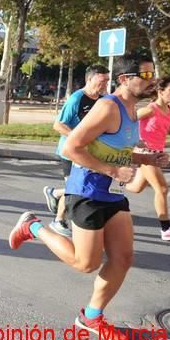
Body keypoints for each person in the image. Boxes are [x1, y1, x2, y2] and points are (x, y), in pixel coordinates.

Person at [9, 52, 167, 340]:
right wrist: (112, 170)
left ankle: (91, 317)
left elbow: (115, 149)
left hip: (111, 194)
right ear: (124, 79)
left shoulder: (133, 111)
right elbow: (71, 147)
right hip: (86, 192)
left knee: (123, 258)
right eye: (145, 75)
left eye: (152, 74)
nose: (152, 80)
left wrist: (147, 158)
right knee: (85, 264)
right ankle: (32, 226)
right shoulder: (108, 107)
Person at [43, 65, 110, 237]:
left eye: (107, 81)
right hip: (70, 151)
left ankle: (54, 193)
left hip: (88, 152)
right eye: (102, 81)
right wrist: (77, 138)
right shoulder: (77, 98)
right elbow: (58, 125)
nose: (105, 85)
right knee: (74, 187)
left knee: (79, 187)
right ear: (90, 79)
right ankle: (59, 220)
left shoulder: (102, 100)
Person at [126, 77, 170, 241]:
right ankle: (166, 229)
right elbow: (127, 121)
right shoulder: (150, 109)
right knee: (162, 188)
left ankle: (113, 181)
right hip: (145, 153)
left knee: (136, 188)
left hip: (157, 154)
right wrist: (134, 139)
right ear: (160, 92)